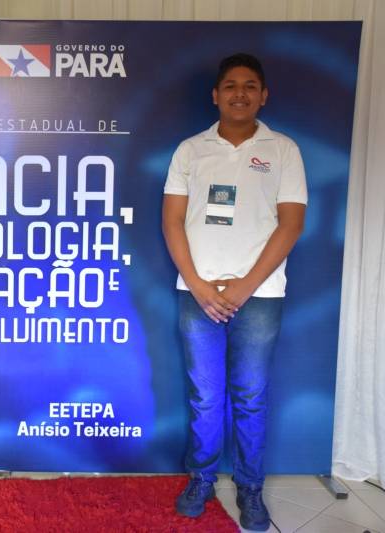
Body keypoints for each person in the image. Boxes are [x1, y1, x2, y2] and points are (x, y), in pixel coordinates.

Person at [162, 53, 307, 531]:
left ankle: (249, 486)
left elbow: (291, 224)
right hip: (198, 294)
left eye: (249, 86)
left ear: (263, 95)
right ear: (216, 95)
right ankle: (201, 478)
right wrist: (199, 285)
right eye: (230, 85)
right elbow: (172, 221)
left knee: (250, 395)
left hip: (260, 296)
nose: (239, 93)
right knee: (205, 396)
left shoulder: (283, 150)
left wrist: (245, 286)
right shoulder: (191, 150)